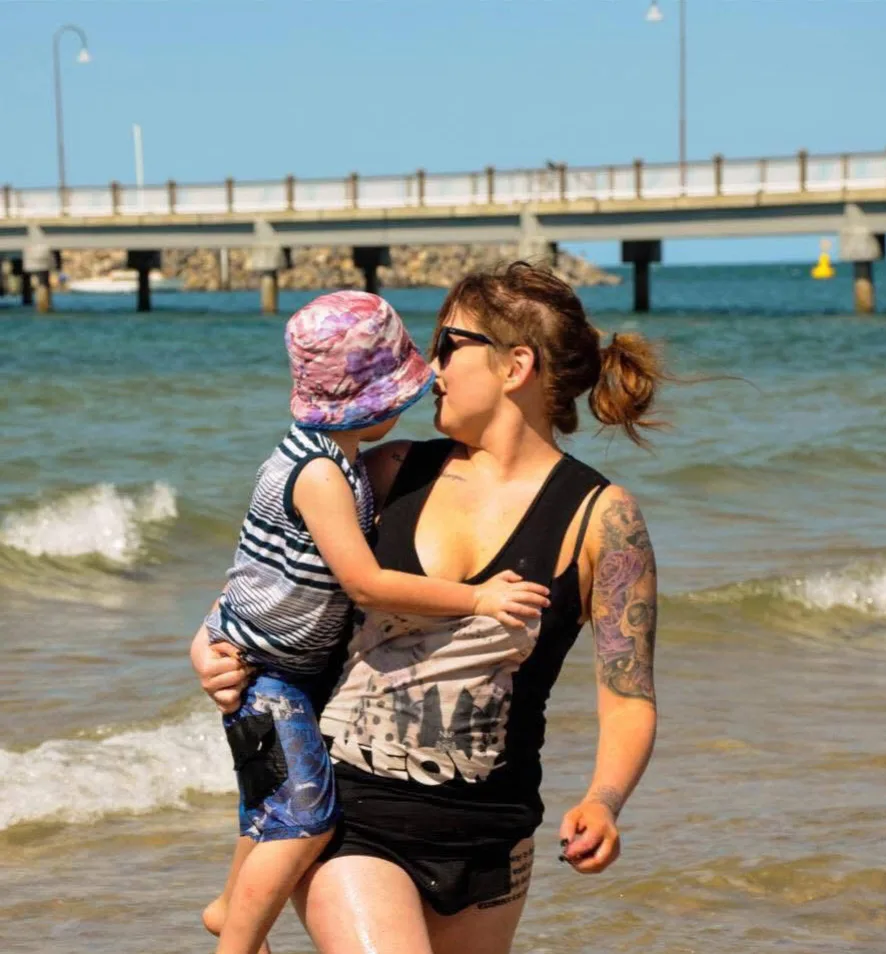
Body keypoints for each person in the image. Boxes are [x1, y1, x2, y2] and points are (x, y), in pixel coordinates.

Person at [193, 262, 662, 954]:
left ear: (515, 365)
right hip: (351, 817)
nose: (428, 368)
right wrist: (211, 650)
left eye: (446, 346)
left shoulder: (602, 519)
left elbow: (628, 695)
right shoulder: (386, 475)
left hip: (493, 843)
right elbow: (269, 577)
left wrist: (604, 798)